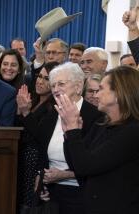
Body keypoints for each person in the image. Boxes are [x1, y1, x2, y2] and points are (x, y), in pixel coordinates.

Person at [19, 62, 102, 214]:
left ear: (78, 86)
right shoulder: (51, 116)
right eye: (53, 85)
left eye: (61, 84)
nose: (55, 89)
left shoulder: (96, 117)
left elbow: (97, 164)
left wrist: (65, 175)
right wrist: (41, 176)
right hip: (52, 194)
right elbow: (40, 147)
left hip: (83, 194)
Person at [56, 65, 139, 213]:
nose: (96, 95)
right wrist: (68, 132)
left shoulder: (132, 131)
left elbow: (86, 166)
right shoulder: (102, 124)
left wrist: (73, 130)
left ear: (118, 94)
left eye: (101, 89)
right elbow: (76, 165)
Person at [16, 61, 59, 210]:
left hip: (36, 162)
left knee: (31, 204)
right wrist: (20, 111)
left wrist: (26, 113)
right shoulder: (32, 100)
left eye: (46, 79)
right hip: (23, 158)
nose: (40, 81)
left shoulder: (54, 107)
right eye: (40, 76)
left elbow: (42, 136)